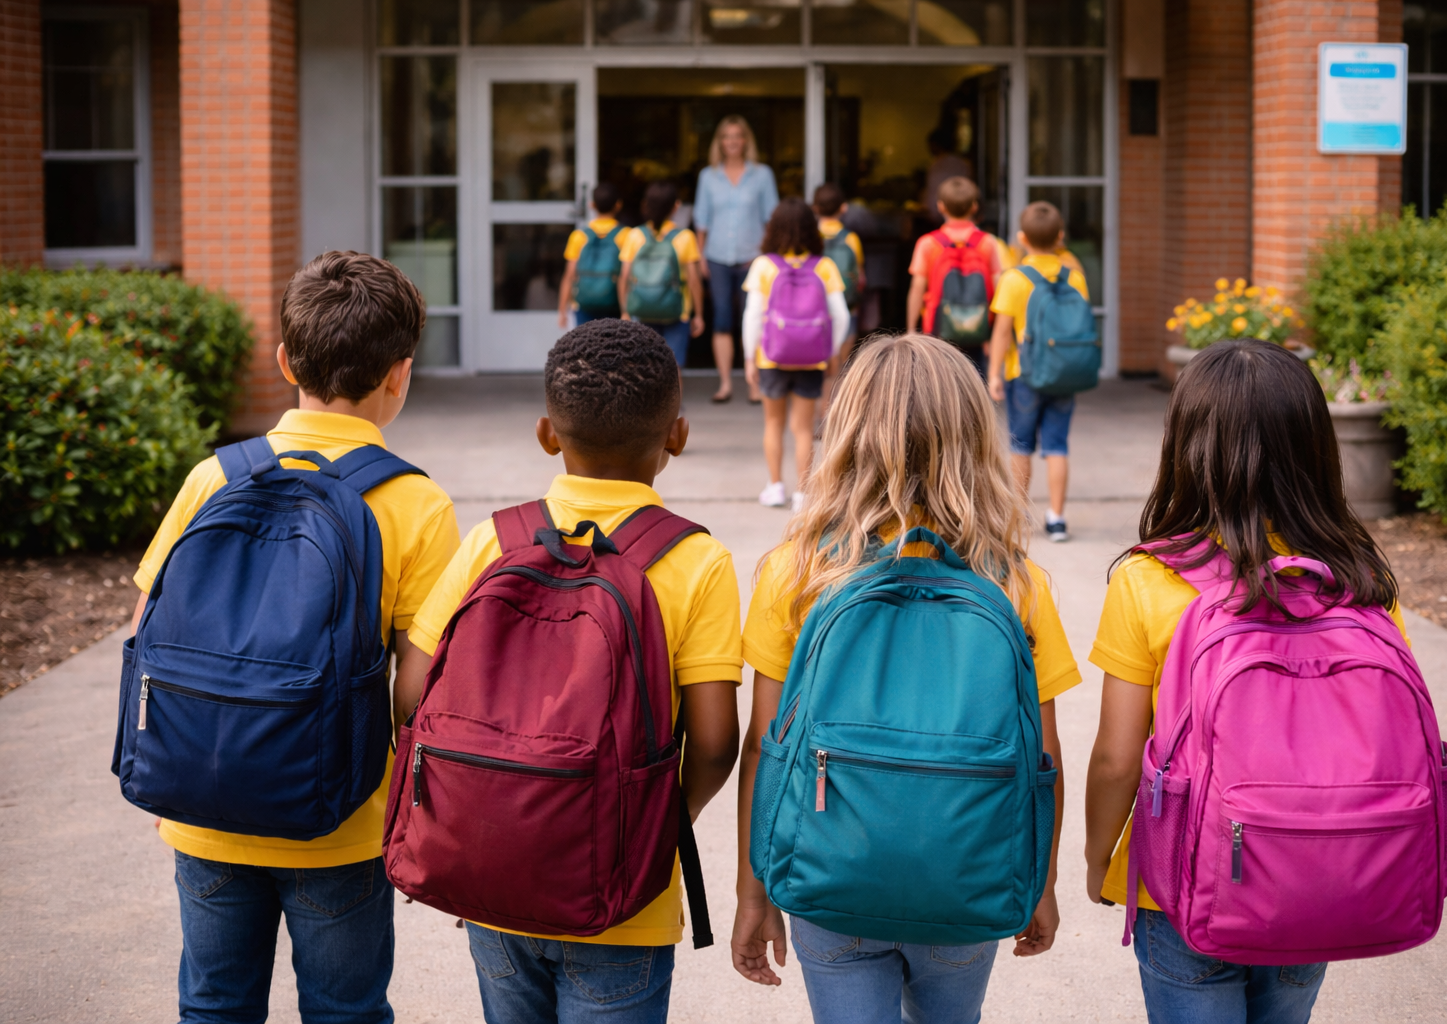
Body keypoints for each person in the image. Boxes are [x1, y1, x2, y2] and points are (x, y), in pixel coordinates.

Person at [129, 251, 460, 1023]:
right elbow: (422, 683)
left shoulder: (215, 477)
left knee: (212, 1004)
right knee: (345, 1010)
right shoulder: (415, 502)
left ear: (284, 359)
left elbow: (145, 629)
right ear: (400, 374)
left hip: (202, 807)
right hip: (338, 818)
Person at [394, 319, 743, 1024]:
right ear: (675, 436)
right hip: (624, 900)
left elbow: (410, 693)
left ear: (547, 434)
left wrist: (493, 810)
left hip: (497, 871)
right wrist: (661, 821)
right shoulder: (695, 561)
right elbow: (713, 742)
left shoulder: (493, 539)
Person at [731, 333, 1080, 1023]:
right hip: (966, 876)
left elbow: (764, 746)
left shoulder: (797, 571)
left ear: (847, 431)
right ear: (976, 438)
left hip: (832, 872)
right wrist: (1040, 882)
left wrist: (754, 892)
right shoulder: (1015, 582)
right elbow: (1043, 754)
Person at [1083, 339, 1413, 1024]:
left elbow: (1118, 757)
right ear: (1314, 448)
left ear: (1188, 447)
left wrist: (1099, 855)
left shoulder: (1150, 580)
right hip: (1316, 871)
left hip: (1182, 884)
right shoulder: (1359, 580)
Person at [987, 201, 1090, 542]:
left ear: (1021, 238)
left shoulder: (1015, 278)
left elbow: (1002, 332)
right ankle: (1057, 519)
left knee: (1021, 445)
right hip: (1063, 371)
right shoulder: (1074, 276)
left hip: (1024, 374)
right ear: (1060, 237)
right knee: (1057, 446)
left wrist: (994, 374)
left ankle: (1018, 516)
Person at [741, 197, 850, 512]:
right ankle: (802, 494)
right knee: (803, 428)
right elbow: (840, 315)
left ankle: (775, 487)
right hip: (811, 357)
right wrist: (830, 352)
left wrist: (750, 356)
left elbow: (752, 316)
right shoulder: (824, 266)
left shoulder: (764, 265)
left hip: (772, 357)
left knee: (773, 423)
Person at [694, 115, 779, 403]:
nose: (732, 142)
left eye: (737, 136)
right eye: (726, 136)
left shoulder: (762, 175)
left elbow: (771, 218)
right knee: (721, 319)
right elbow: (702, 221)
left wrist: (771, 257)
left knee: (752, 319)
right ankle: (726, 384)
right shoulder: (708, 176)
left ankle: (753, 384)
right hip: (716, 256)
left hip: (752, 259)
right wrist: (700, 256)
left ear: (745, 141)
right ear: (720, 142)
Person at [907, 176, 1003, 376]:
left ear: (941, 207)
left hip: (938, 328)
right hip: (978, 328)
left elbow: (917, 288)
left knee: (940, 387)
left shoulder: (928, 243)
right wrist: (994, 333)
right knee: (975, 384)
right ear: (975, 207)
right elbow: (999, 289)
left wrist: (911, 329)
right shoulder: (987, 242)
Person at [618, 181, 705, 369]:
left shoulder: (635, 235)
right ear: (676, 206)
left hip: (640, 309)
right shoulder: (684, 237)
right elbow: (694, 280)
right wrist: (698, 314)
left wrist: (625, 310)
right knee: (673, 367)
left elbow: (624, 277)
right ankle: (675, 399)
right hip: (677, 311)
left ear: (645, 205)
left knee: (643, 367)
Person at [557, 181, 630, 328]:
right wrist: (626, 311)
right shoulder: (626, 235)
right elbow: (626, 275)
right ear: (618, 205)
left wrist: (562, 311)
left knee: (586, 347)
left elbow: (570, 274)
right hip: (613, 303)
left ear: (592, 205)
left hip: (584, 304)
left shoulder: (579, 236)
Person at [813, 182, 865, 376]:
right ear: (844, 207)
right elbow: (859, 275)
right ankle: (838, 389)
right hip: (846, 303)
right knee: (841, 362)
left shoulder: (810, 238)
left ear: (815, 209)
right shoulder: (851, 239)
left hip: (815, 306)